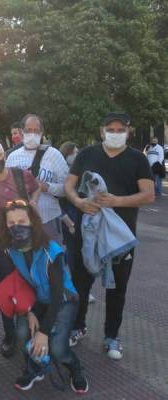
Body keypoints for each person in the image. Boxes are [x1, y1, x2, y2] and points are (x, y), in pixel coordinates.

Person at [65, 112, 154, 359]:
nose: (115, 133)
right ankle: (77, 327)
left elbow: (148, 194)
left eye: (120, 129)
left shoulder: (138, 159)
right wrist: (78, 202)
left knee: (118, 288)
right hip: (88, 233)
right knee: (81, 283)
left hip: (120, 237)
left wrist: (117, 201)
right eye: (111, 129)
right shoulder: (86, 154)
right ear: (102, 130)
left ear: (128, 131)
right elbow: (69, 186)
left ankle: (111, 337)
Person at [0, 199, 88, 394]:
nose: (16, 227)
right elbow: (20, 283)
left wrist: (44, 332)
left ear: (33, 222)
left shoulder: (52, 251)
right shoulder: (11, 250)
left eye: (22, 221)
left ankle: (75, 367)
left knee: (57, 348)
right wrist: (28, 310)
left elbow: (56, 296)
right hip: (36, 300)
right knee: (22, 332)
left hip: (64, 300)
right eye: (11, 223)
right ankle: (35, 367)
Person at [0, 140, 40, 357]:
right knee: (6, 288)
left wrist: (33, 202)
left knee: (32, 282)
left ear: (4, 155)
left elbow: (37, 188)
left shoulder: (21, 175)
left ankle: (34, 329)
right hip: (1, 243)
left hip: (27, 239)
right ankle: (10, 334)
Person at [6, 114, 69, 243]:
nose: (32, 134)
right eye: (29, 130)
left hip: (49, 219)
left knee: (52, 260)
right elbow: (6, 189)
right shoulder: (12, 158)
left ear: (42, 133)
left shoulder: (54, 155)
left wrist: (46, 187)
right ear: (22, 132)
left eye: (36, 131)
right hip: (22, 222)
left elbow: (67, 188)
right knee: (27, 261)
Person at [59, 143, 97, 307]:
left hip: (82, 221)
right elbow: (59, 204)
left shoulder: (80, 173)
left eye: (77, 151)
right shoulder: (62, 175)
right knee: (76, 258)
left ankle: (81, 289)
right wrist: (70, 224)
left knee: (84, 255)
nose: (76, 154)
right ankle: (76, 291)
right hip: (71, 223)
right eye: (73, 152)